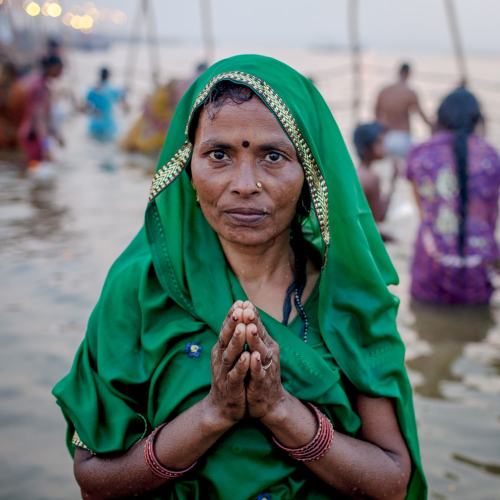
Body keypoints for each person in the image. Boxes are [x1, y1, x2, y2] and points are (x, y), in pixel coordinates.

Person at [53, 55, 426, 499]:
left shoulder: (347, 295)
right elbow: (94, 479)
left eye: (272, 156)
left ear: (308, 172)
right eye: (218, 155)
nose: (245, 183)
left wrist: (281, 410)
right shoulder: (140, 288)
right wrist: (214, 414)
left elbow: (391, 482)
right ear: (187, 168)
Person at [406, 88, 500, 304]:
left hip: (431, 265)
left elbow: (423, 213)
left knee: (427, 326)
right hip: (478, 267)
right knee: (476, 329)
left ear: (440, 118)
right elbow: (490, 218)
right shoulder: (491, 157)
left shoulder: (420, 154)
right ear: (477, 120)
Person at [375, 63, 431, 165]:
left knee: (389, 175)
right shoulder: (410, 93)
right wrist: (435, 126)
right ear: (409, 74)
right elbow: (422, 116)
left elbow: (376, 114)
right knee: (406, 173)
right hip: (403, 137)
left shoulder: (384, 91)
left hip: (386, 138)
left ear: (398, 72)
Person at [14, 55, 64, 166]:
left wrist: (56, 135)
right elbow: (39, 119)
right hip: (33, 136)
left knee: (33, 171)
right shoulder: (39, 87)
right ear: (52, 67)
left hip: (32, 135)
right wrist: (45, 147)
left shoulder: (41, 83)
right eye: (60, 68)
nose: (62, 71)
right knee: (35, 170)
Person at [353, 122, 398, 240]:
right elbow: (379, 218)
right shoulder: (371, 179)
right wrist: (393, 183)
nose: (384, 147)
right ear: (367, 148)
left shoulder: (357, 173)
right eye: (379, 142)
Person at [85, 67, 126, 142]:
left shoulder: (92, 90)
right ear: (109, 76)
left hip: (94, 125)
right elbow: (123, 102)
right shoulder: (112, 90)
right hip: (108, 125)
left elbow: (85, 107)